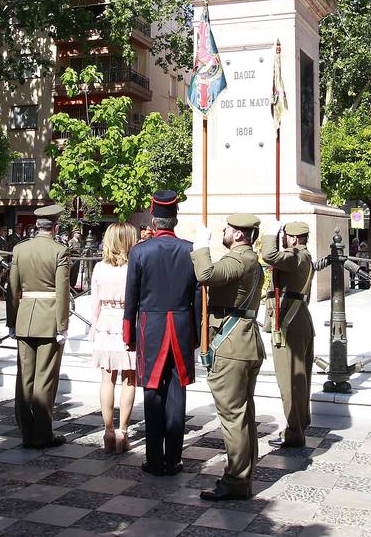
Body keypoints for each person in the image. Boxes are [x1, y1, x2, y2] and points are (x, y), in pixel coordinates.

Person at [123, 191, 199, 477]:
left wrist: (128, 332)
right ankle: (174, 459)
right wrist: (196, 335)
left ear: (154, 221)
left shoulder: (140, 251)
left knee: (153, 393)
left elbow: (131, 297)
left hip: (150, 329)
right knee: (177, 394)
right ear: (175, 219)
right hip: (181, 327)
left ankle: (154, 459)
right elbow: (197, 297)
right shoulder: (190, 250)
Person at [192, 212, 266, 502]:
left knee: (233, 417)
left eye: (227, 229)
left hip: (232, 345)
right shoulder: (252, 261)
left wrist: (200, 247)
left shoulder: (237, 259)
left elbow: (205, 276)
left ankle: (236, 480)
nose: (223, 231)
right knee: (244, 414)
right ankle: (243, 476)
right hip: (245, 341)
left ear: (238, 235)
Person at [7, 203, 71, 449]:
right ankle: (42, 434)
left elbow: (13, 289)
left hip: (25, 317)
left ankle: (26, 432)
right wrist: (62, 325)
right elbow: (62, 292)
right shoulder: (60, 251)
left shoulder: (20, 249)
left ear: (37, 226)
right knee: (45, 378)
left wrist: (12, 321)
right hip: (48, 320)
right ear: (54, 227)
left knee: (25, 378)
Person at [262, 220, 314, 449]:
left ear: (293, 239)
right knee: (299, 380)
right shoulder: (304, 255)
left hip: (290, 324)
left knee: (290, 381)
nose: (284, 240)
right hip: (297, 320)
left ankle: (294, 432)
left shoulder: (295, 257)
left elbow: (269, 255)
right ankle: (299, 424)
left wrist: (272, 234)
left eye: (285, 236)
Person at [89, 221, 138, 454]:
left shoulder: (99, 268)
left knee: (106, 379)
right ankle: (123, 431)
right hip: (127, 323)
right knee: (129, 379)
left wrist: (93, 326)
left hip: (105, 323)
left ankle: (108, 430)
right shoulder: (133, 268)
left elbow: (94, 303)